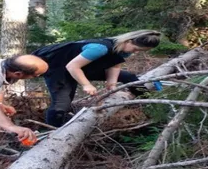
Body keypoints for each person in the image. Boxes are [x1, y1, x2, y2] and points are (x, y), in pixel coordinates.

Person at [32, 30, 161, 127]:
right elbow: (72, 66)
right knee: (62, 103)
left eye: (141, 51)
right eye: (136, 49)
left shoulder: (121, 48)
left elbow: (115, 65)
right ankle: (53, 130)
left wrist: (112, 86)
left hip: (83, 68)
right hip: (59, 69)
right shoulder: (100, 48)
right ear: (128, 41)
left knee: (129, 77)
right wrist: (86, 85)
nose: (136, 52)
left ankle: (144, 101)